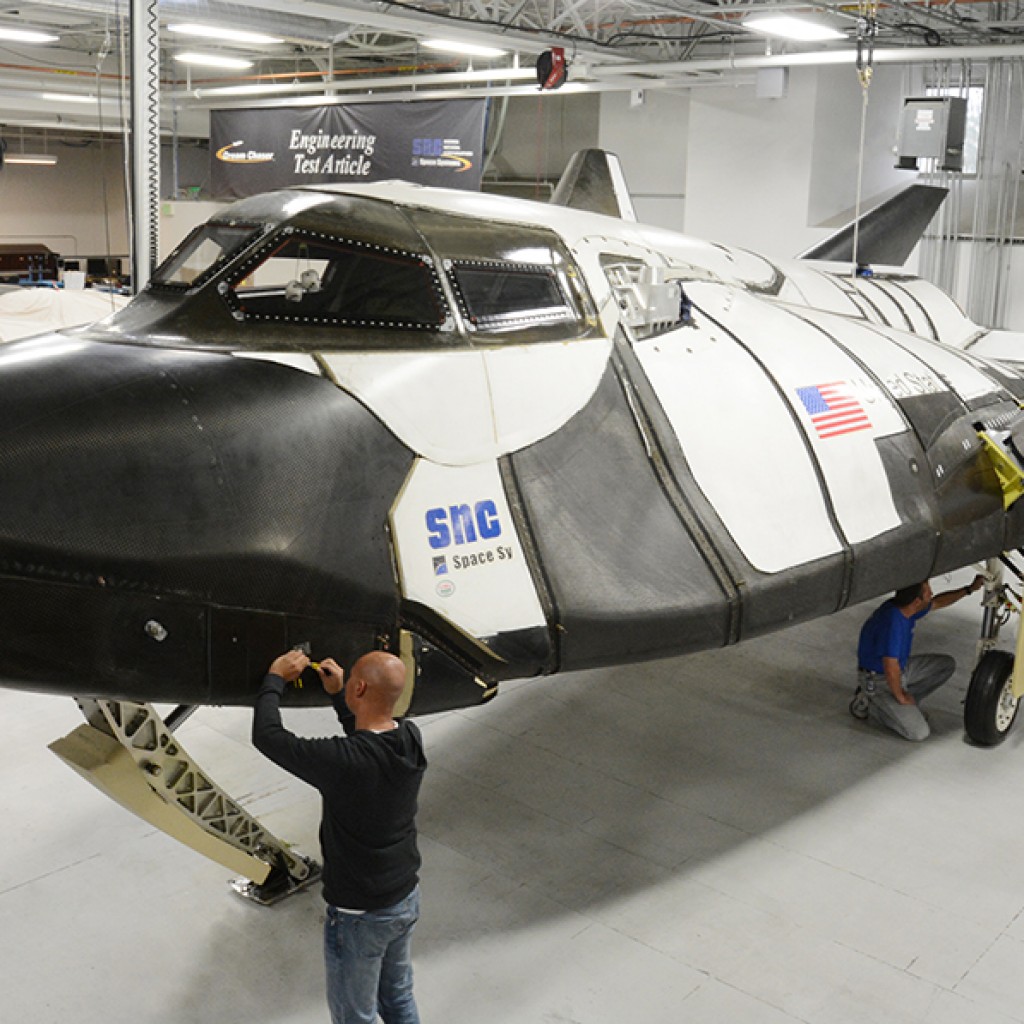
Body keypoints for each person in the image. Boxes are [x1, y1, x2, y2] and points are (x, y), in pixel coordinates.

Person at [252, 648, 426, 1024]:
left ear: (359, 686)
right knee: (397, 998)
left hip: (359, 914)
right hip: (404, 897)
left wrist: (274, 680)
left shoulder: (342, 761)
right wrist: (338, 695)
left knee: (354, 1016)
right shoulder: (410, 739)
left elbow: (267, 736)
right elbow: (368, 742)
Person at [851, 575, 984, 740]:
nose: (931, 593)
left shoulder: (904, 608)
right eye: (927, 591)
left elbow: (938, 602)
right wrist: (900, 695)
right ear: (916, 601)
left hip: (900, 669)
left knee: (945, 665)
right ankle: (871, 702)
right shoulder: (892, 624)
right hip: (879, 679)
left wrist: (969, 589)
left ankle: (902, 706)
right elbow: (889, 666)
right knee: (918, 732)